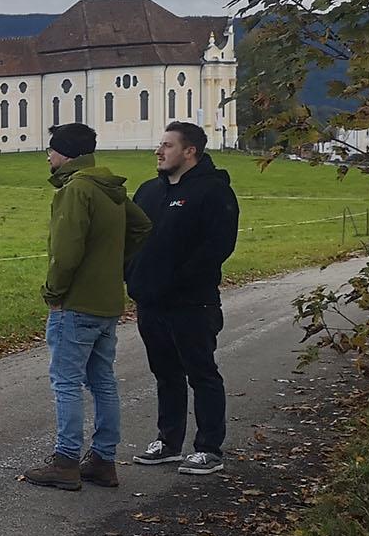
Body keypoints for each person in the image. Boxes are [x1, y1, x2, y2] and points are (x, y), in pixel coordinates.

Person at [23, 122, 152, 492]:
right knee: (102, 381)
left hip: (76, 303)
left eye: (51, 149)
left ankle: (66, 461)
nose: (48, 156)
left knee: (66, 382)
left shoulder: (76, 189)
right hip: (108, 302)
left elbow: (66, 252)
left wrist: (53, 291)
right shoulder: (109, 187)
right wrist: (113, 263)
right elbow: (142, 226)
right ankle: (103, 460)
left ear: (65, 154)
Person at [126, 121, 240, 476]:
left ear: (190, 151)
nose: (159, 152)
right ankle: (168, 442)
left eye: (168, 146)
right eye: (160, 146)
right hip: (151, 303)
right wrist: (132, 276)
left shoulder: (212, 192)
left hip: (192, 302)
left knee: (201, 372)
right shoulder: (147, 192)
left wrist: (177, 281)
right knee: (165, 374)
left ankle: (208, 447)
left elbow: (217, 247)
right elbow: (128, 239)